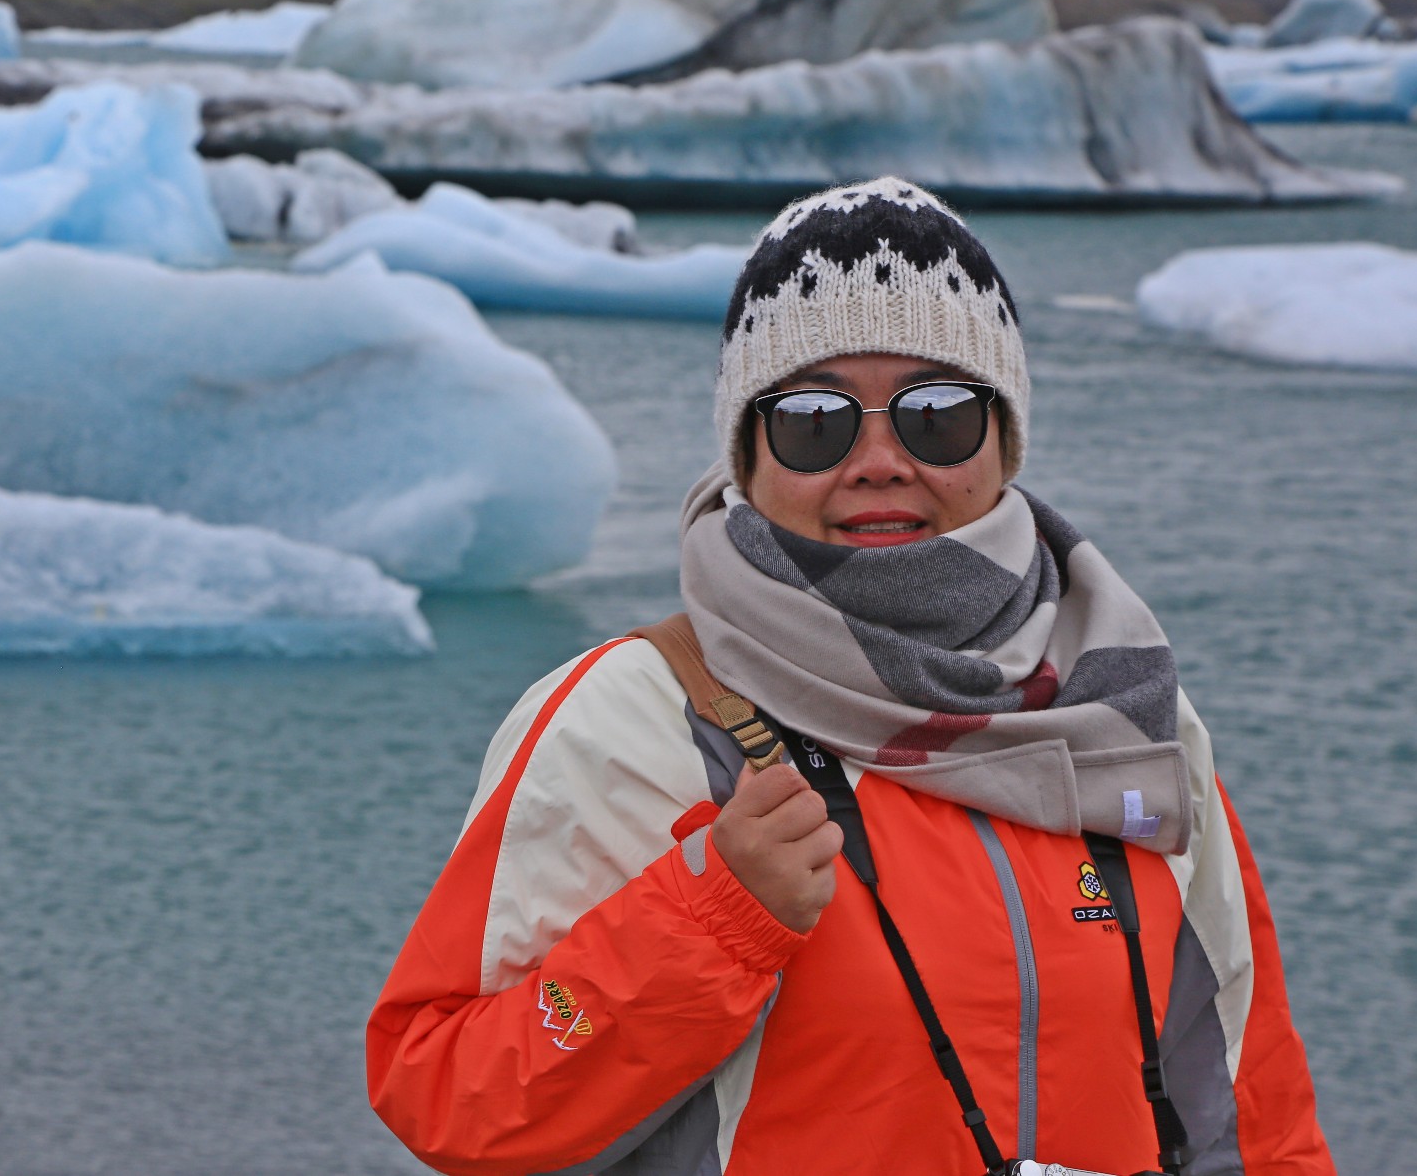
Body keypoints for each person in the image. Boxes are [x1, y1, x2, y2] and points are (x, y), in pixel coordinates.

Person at [366, 178, 1334, 1175]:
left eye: (936, 415)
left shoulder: (1119, 716)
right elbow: (451, 1101)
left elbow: (1248, 1114)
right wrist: (710, 922)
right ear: (747, 451)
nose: (877, 459)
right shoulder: (634, 720)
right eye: (815, 421)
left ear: (1002, 438)